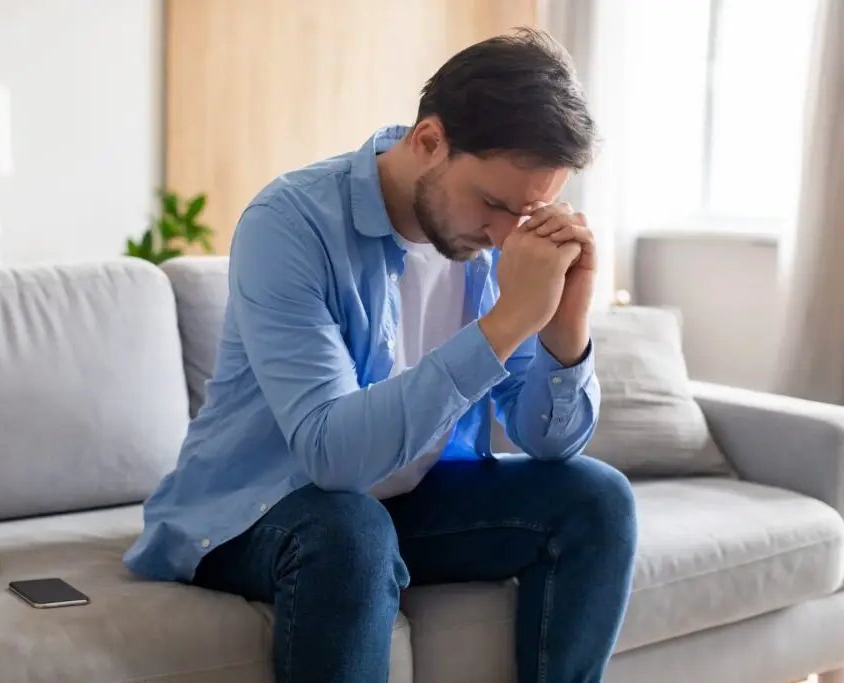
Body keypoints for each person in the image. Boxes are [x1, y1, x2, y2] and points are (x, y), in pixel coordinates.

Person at [125, 27, 637, 683]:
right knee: (349, 528)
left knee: (598, 499)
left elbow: (549, 444)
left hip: (405, 501)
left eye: (530, 211)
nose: (507, 234)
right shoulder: (291, 223)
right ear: (429, 141)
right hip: (256, 511)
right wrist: (510, 321)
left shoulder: (488, 249)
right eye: (493, 202)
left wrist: (565, 328)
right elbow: (330, 454)